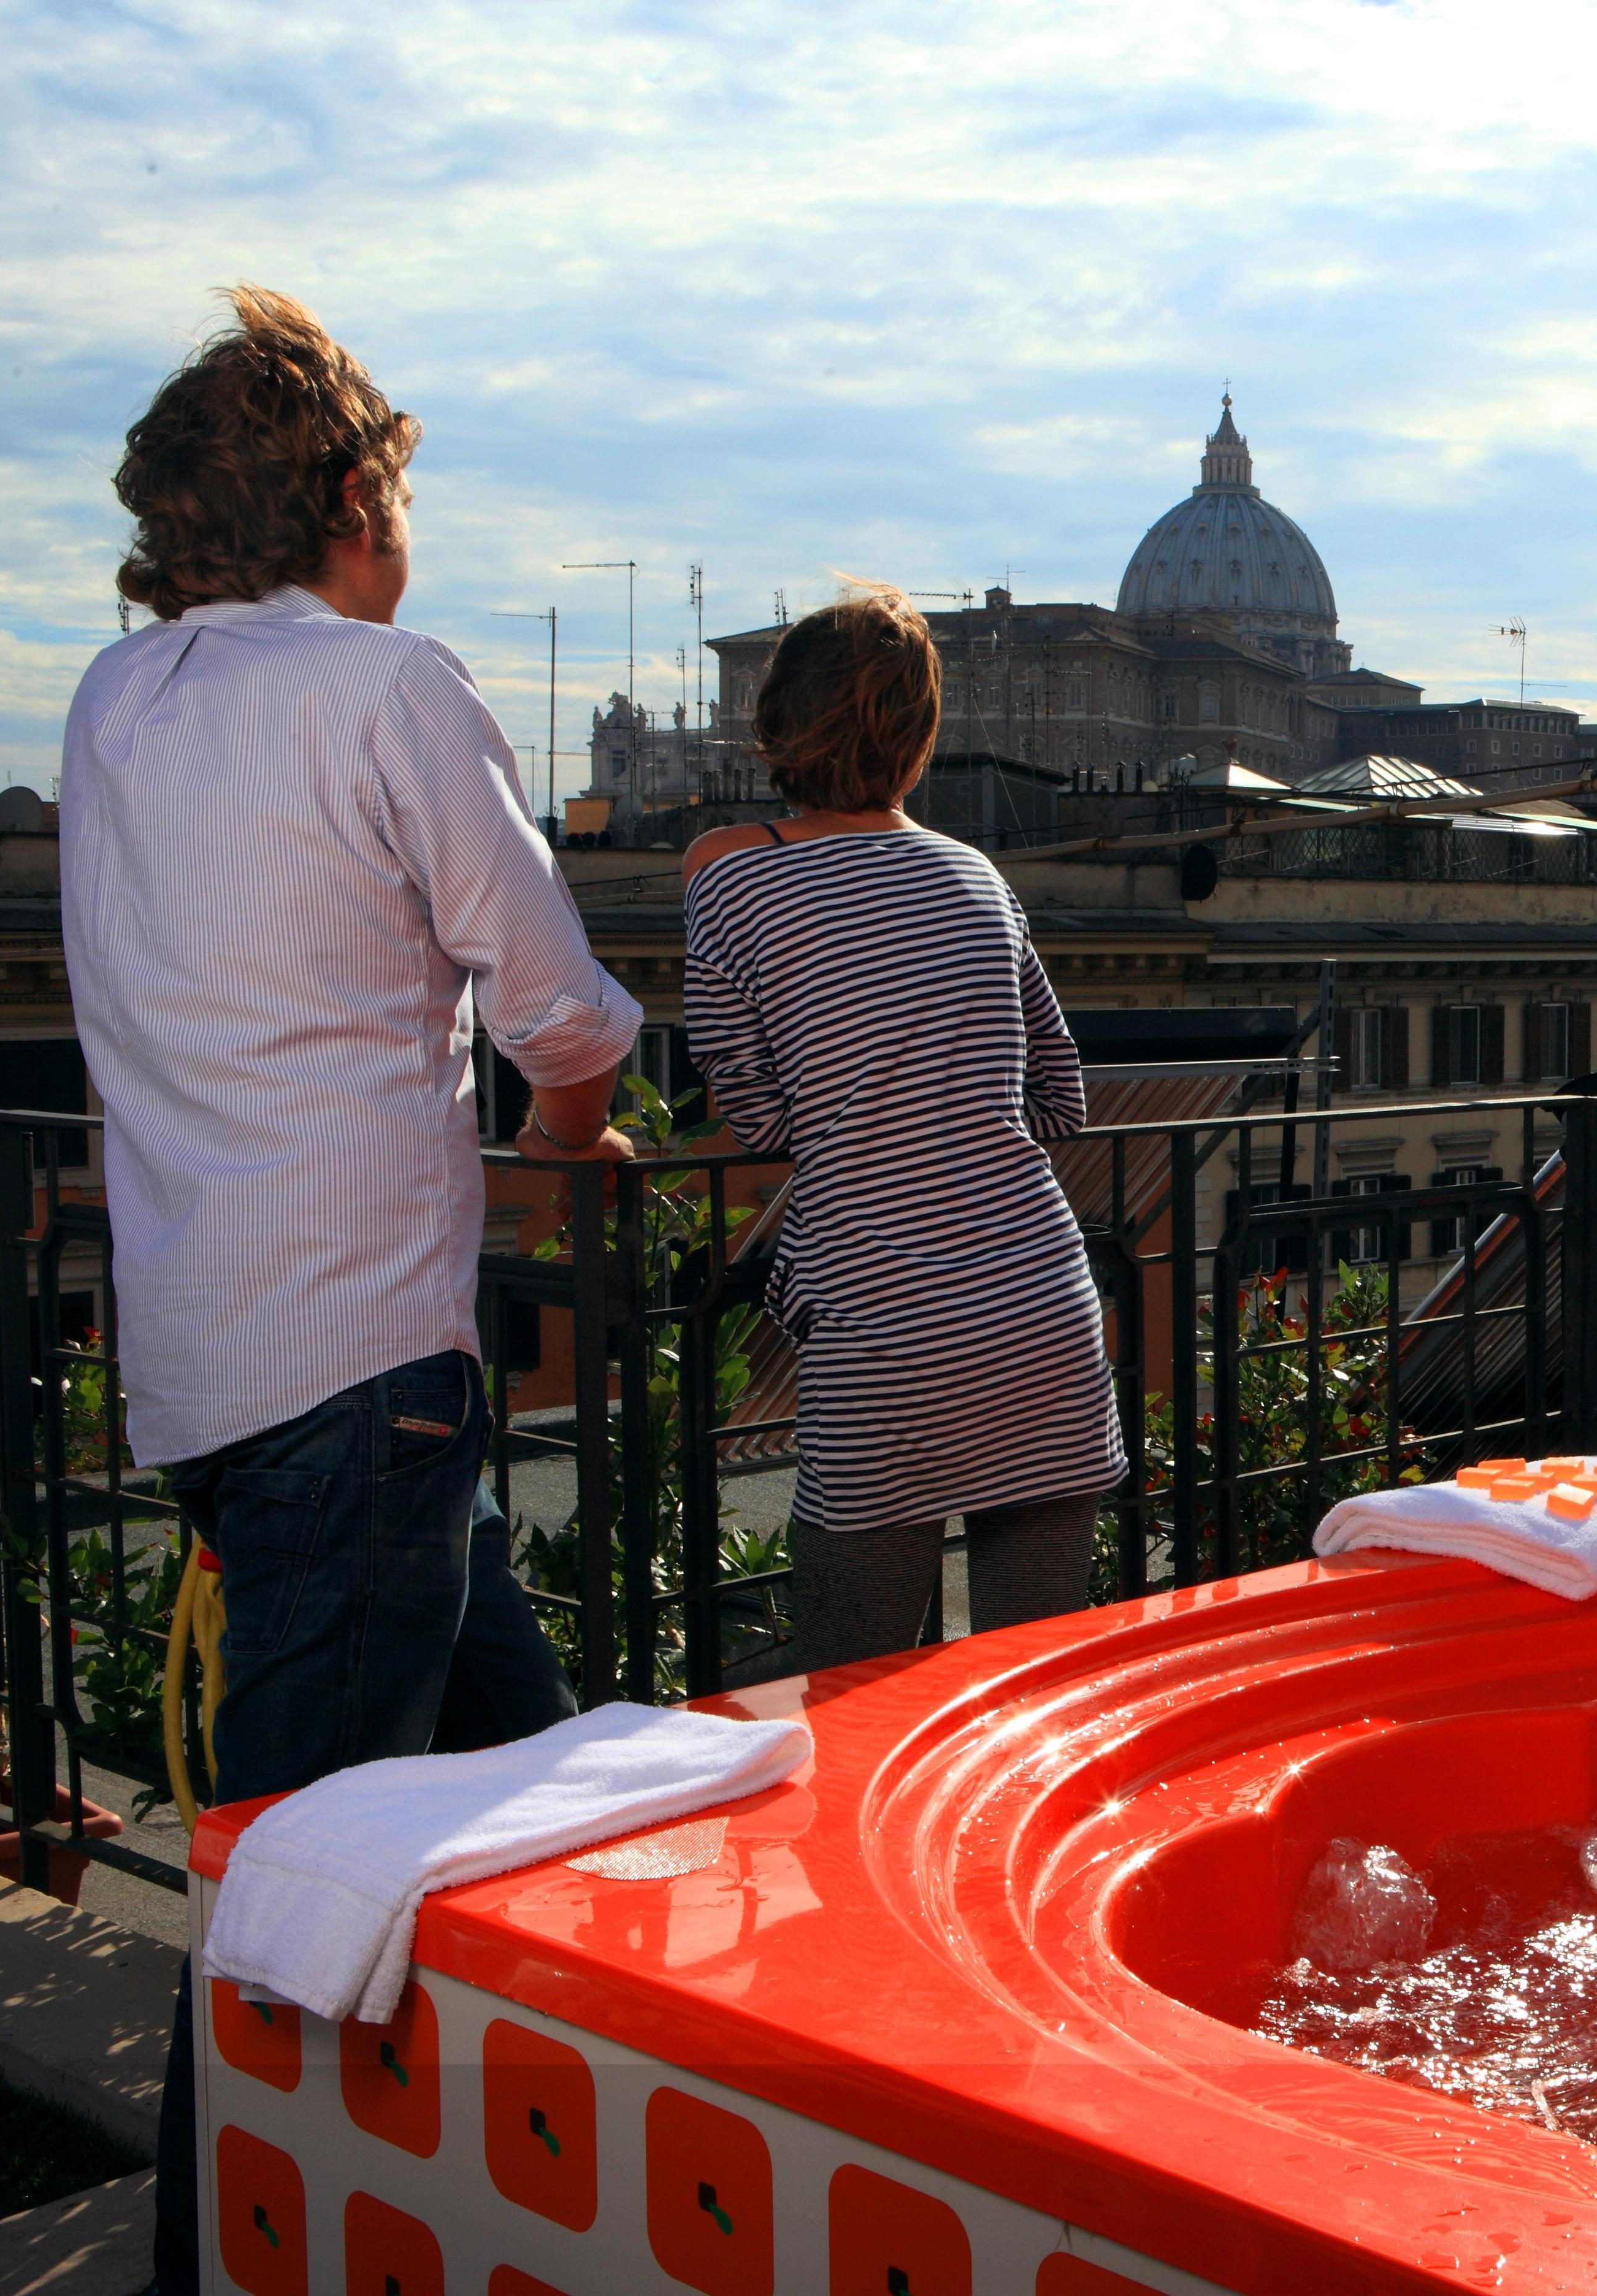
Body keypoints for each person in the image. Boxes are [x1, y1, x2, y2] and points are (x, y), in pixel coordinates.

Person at [59, 286, 640, 2295]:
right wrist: (571, 1123)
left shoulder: (111, 704)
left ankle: (570, 2208)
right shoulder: (387, 689)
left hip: (216, 1381)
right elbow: (556, 999)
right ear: (348, 501)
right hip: (363, 1372)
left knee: (548, 1808)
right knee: (286, 1939)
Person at [678, 586, 1122, 1670]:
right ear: (921, 742)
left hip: (887, 1331)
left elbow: (757, 1108)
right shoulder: (977, 875)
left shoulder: (724, 874)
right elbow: (1060, 1096)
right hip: (1043, 1321)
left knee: (857, 1701)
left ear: (777, 724)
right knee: (1034, 1700)